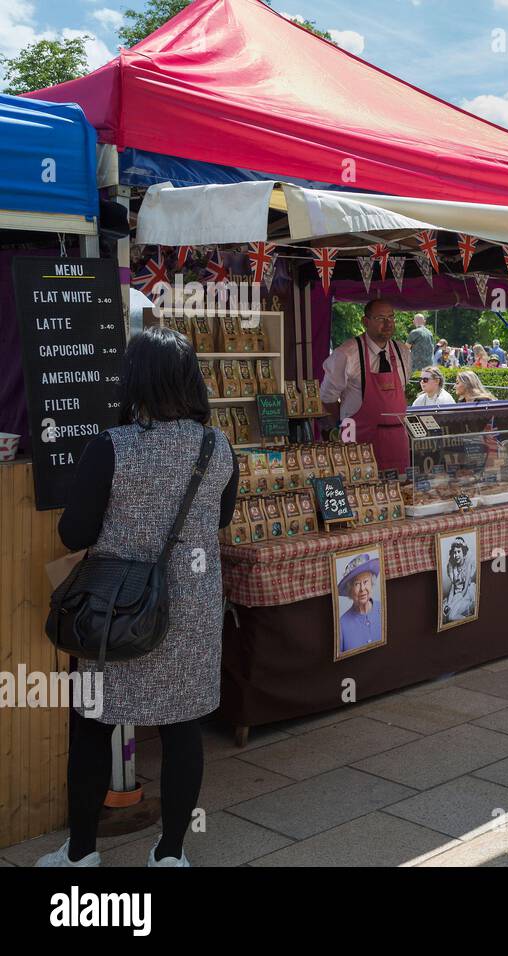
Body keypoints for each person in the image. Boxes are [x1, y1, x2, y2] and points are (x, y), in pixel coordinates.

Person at [38, 326, 238, 868]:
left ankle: (80, 855)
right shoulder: (215, 445)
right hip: (191, 610)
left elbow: (74, 534)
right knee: (182, 728)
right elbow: (220, 517)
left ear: (136, 380)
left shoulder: (110, 446)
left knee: (92, 727)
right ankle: (170, 854)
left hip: (115, 611)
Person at [320, 298, 412, 474]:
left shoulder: (403, 352)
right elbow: (327, 398)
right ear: (365, 321)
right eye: (380, 319)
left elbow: (400, 393)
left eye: (391, 318)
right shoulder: (347, 353)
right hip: (359, 443)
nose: (388, 324)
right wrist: (341, 427)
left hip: (396, 443)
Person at [338, 553, 382, 652]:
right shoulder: (341, 625)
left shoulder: (384, 609)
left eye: (365, 582)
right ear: (350, 590)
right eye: (357, 584)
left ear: (371, 583)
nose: (362, 589)